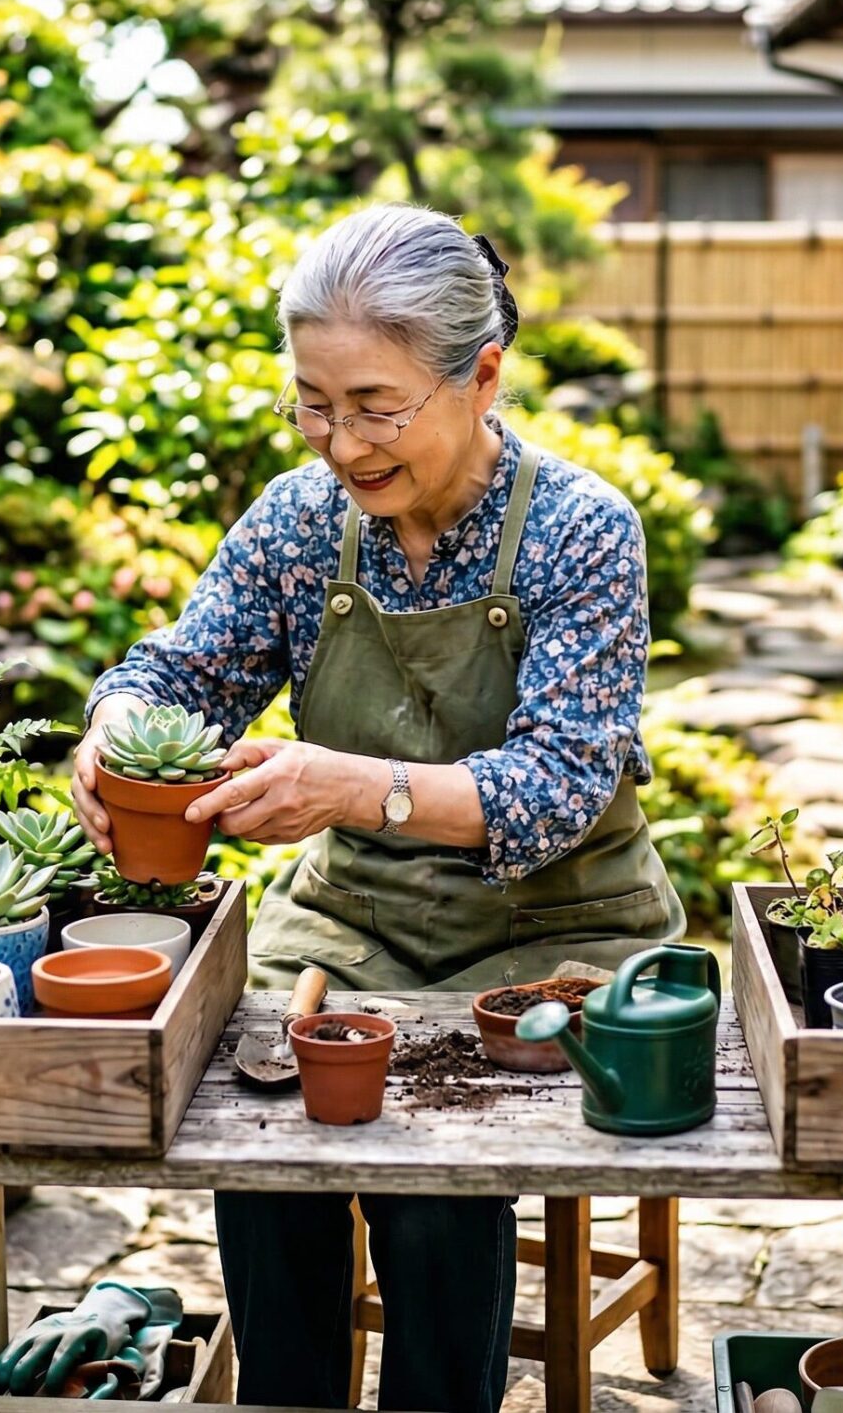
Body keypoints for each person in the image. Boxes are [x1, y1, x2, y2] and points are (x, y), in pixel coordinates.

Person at [71, 202, 685, 1413]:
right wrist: (114, 733)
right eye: (314, 401)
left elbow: (560, 787)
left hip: (553, 925)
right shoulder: (302, 525)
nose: (342, 442)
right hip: (355, 918)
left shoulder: (579, 530)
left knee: (429, 1172)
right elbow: (181, 673)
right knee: (258, 1147)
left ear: (483, 376)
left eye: (376, 406)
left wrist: (347, 786)